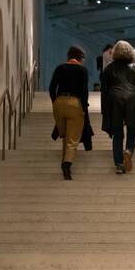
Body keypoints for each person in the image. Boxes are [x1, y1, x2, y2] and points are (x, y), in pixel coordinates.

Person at [101, 40, 135, 174]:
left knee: (117, 134)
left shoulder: (109, 68)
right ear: (130, 52)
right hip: (134, 100)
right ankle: (128, 151)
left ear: (115, 52)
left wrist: (104, 110)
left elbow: (104, 90)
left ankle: (119, 164)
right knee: (132, 130)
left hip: (114, 100)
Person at [48, 45, 89, 180]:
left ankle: (64, 159)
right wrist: (83, 108)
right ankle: (66, 165)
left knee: (64, 135)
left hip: (59, 103)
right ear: (80, 58)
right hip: (74, 103)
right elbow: (84, 92)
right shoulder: (82, 70)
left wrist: (55, 102)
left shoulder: (60, 68)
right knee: (72, 139)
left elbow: (52, 87)